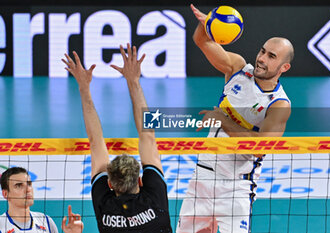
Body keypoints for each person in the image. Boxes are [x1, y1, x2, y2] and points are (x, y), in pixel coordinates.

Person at [177, 4, 293, 233]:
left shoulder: (279, 104)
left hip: (236, 188)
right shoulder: (238, 68)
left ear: (284, 67)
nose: (261, 59)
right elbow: (203, 42)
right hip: (202, 176)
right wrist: (208, 24)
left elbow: (259, 149)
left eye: (271, 56)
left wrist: (223, 119)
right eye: (262, 51)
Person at [62, 44, 172, 232]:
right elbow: (148, 134)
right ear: (140, 180)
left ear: (110, 184)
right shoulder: (154, 199)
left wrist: (83, 88)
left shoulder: (106, 207)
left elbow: (95, 141)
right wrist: (134, 81)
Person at [0, 167, 59, 233]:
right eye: (19, 185)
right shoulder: (1, 225)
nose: (28, 190)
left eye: (29, 184)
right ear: (5, 194)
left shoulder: (45, 221)